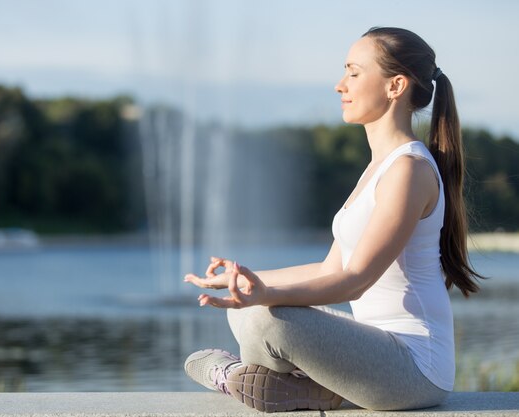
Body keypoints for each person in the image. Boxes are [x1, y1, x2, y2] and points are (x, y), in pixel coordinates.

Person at [182, 27, 483, 413]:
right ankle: (311, 388)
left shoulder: (408, 170)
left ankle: (234, 376)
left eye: (354, 72)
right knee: (248, 310)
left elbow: (355, 281)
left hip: (414, 370)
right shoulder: (379, 168)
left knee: (265, 320)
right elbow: (331, 267)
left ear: (396, 86)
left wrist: (268, 297)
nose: (340, 85)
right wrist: (245, 280)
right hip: (375, 352)